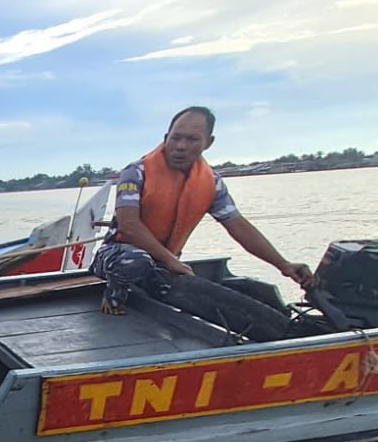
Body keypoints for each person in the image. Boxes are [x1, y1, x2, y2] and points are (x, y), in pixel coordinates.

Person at [94, 106, 315, 318]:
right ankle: (115, 296)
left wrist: (283, 264)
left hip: (163, 261)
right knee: (136, 261)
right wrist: (171, 261)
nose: (180, 146)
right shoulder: (136, 172)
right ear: (165, 137)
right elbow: (129, 226)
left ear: (208, 143)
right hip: (118, 256)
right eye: (175, 137)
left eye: (192, 139)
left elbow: (238, 225)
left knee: (180, 290)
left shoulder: (212, 183)